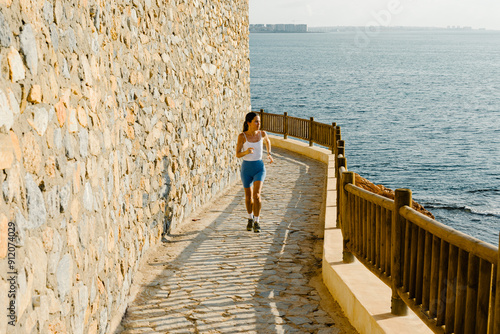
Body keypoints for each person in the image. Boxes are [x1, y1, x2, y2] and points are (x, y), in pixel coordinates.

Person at [236, 112, 274, 233]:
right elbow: (237, 154)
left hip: (259, 167)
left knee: (256, 195)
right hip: (246, 169)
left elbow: (268, 141)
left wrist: (269, 154)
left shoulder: (262, 134)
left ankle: (257, 221)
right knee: (248, 197)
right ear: (249, 123)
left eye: (259, 121)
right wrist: (246, 152)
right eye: (256, 121)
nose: (258, 124)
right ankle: (250, 218)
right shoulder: (242, 136)